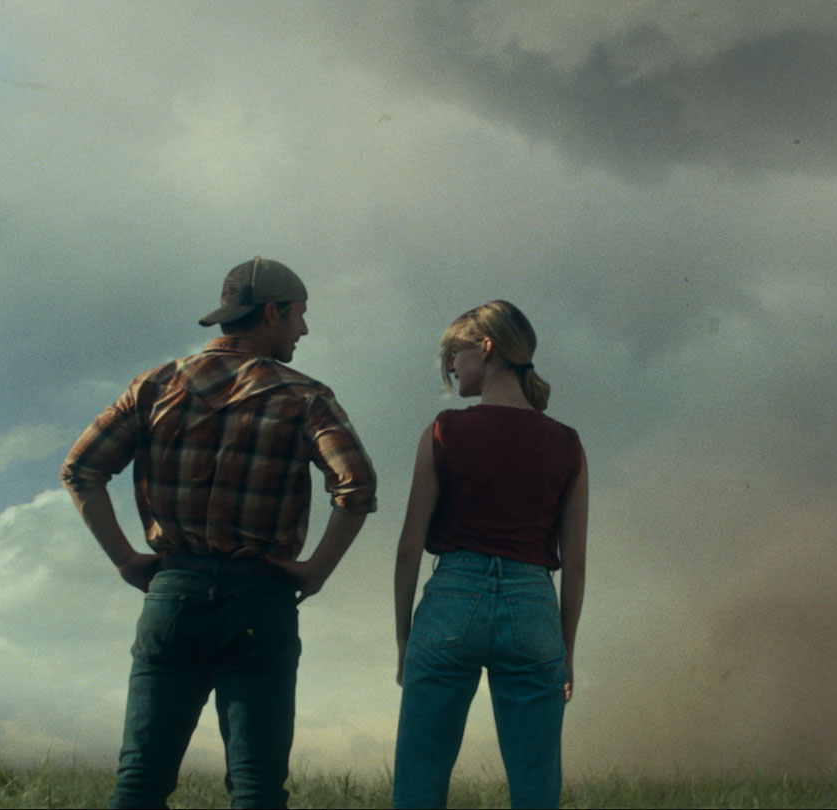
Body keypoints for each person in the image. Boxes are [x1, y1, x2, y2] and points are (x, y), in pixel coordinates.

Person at [60, 257, 377, 808]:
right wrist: (316, 570)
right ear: (272, 312)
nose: (304, 329)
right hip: (260, 601)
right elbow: (356, 484)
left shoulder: (153, 385)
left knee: (140, 780)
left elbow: (81, 469)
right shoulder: (305, 396)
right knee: (256, 787)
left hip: (173, 594)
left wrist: (126, 560)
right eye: (300, 315)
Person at [392, 300, 588, 809]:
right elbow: (577, 562)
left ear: (486, 347)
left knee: (419, 783)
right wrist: (565, 650)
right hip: (533, 608)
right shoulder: (568, 443)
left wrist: (403, 640)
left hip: (451, 603)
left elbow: (410, 546)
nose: (451, 366)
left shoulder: (444, 431)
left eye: (454, 353)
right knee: (536, 789)